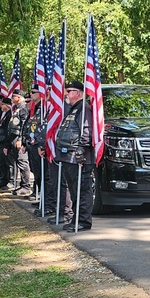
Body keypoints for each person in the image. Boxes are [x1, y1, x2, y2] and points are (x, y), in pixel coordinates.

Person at [53, 80, 96, 232]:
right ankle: (76, 218)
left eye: (69, 91)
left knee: (82, 190)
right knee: (73, 190)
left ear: (77, 93)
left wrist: (80, 152)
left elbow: (86, 132)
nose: (66, 94)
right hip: (68, 156)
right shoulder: (74, 109)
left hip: (78, 158)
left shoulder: (83, 108)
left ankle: (83, 221)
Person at [9, 90, 32, 196]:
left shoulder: (23, 108)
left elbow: (23, 125)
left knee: (22, 162)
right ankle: (22, 184)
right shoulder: (18, 108)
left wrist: (20, 139)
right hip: (14, 137)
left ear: (18, 97)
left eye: (13, 97)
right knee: (19, 161)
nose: (12, 99)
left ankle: (26, 186)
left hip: (19, 138)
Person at [26, 86, 46, 201]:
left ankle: (44, 199)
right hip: (33, 144)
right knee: (36, 172)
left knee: (42, 174)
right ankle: (39, 196)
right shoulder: (36, 108)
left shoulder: (43, 108)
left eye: (34, 92)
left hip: (39, 145)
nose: (31, 94)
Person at [0, 97, 14, 189]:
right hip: (0, 141)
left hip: (5, 142)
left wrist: (7, 144)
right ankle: (4, 179)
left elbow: (8, 130)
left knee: (8, 163)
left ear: (7, 106)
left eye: (3, 104)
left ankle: (11, 180)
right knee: (1, 163)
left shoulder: (10, 115)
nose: (2, 106)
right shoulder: (3, 114)